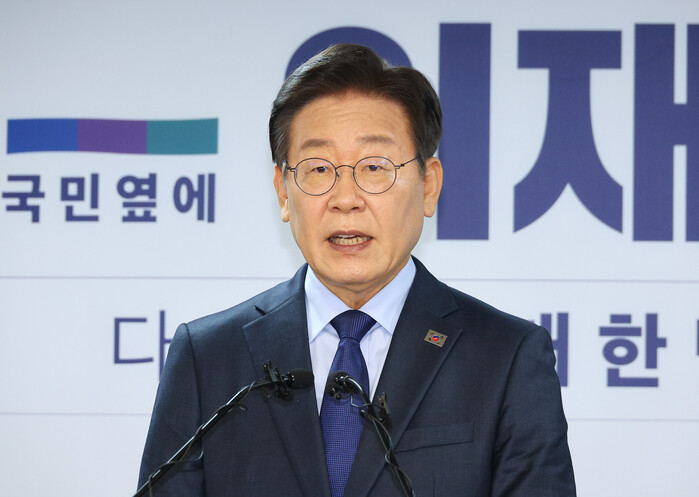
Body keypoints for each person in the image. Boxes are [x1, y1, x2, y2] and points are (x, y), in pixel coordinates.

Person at [138, 43, 576, 497]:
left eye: (374, 167)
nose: (345, 199)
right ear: (283, 192)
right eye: (318, 169)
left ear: (428, 186)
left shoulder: (506, 357)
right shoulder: (208, 357)